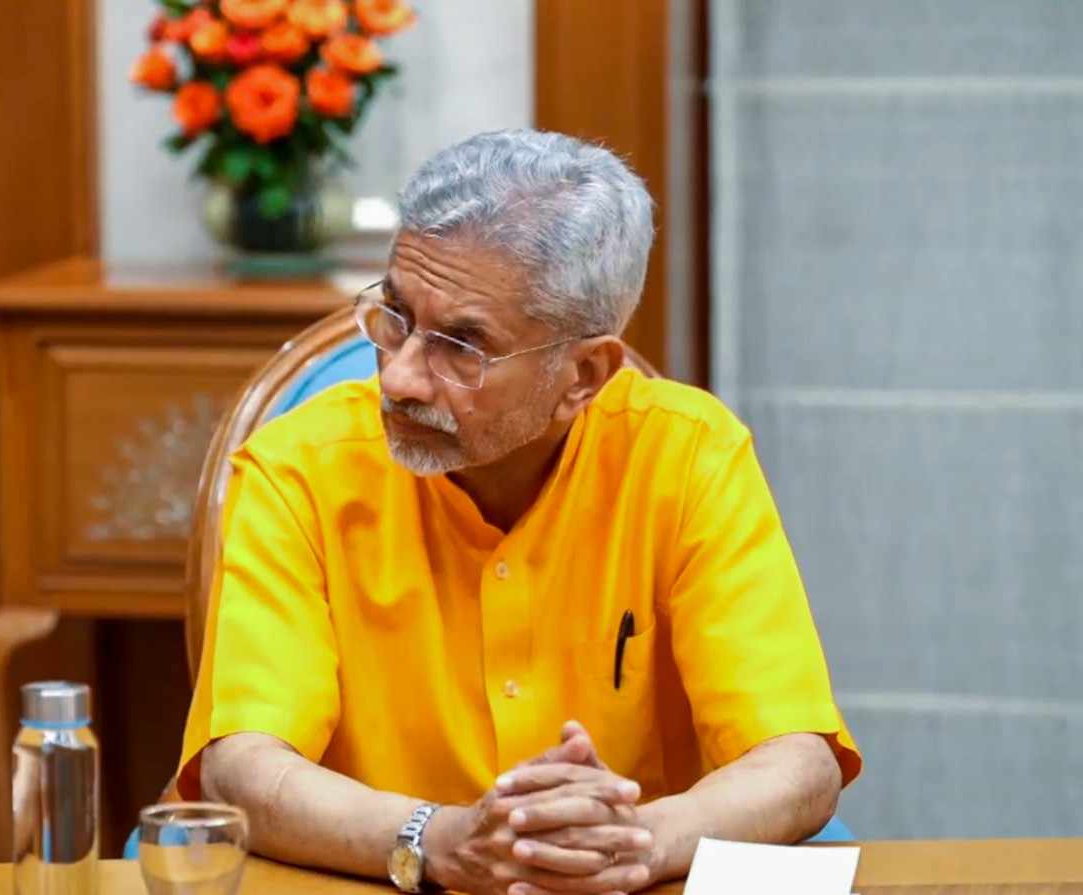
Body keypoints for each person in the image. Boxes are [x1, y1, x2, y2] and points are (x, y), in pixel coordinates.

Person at [176, 129, 862, 894]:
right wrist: (437, 839)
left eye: (461, 346)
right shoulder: (298, 468)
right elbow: (243, 767)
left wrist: (635, 841)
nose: (400, 378)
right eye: (396, 316)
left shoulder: (689, 456)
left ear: (584, 375)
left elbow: (797, 763)